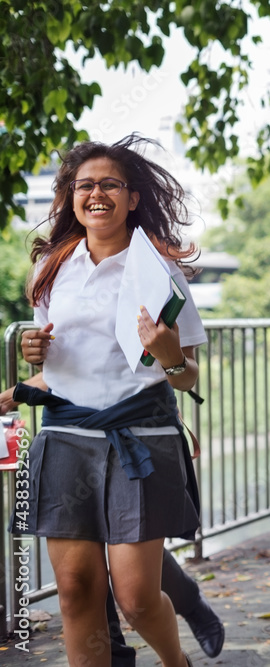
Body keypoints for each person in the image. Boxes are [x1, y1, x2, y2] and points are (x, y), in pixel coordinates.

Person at [0, 133, 208, 667]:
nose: (96, 194)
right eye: (84, 185)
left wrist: (169, 355)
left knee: (136, 597)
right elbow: (56, 371)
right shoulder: (53, 267)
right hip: (67, 440)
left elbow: (186, 379)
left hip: (140, 438)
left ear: (132, 197)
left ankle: (176, 663)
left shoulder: (157, 269)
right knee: (74, 589)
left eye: (109, 185)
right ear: (71, 196)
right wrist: (29, 363)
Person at [2, 337, 225, 664]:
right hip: (72, 432)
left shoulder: (156, 286)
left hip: (139, 425)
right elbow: (73, 367)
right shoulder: (51, 286)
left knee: (134, 578)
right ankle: (119, 656)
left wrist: (166, 400)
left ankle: (189, 605)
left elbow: (167, 370)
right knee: (81, 580)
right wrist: (23, 380)